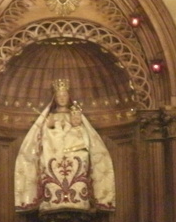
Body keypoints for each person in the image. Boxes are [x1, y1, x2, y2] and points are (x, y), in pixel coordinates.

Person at [13, 79, 115, 214]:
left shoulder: (76, 115)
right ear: (55, 98)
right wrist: (48, 126)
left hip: (75, 156)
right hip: (53, 156)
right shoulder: (50, 117)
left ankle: (78, 199)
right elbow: (41, 138)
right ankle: (52, 200)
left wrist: (77, 125)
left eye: (64, 96)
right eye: (59, 96)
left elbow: (87, 137)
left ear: (69, 97)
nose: (62, 99)